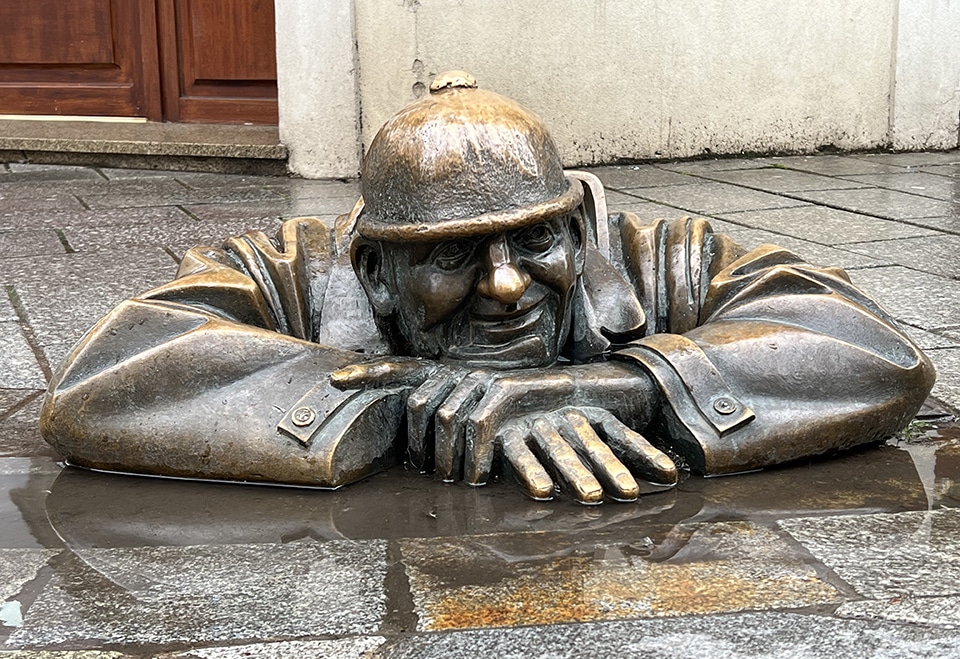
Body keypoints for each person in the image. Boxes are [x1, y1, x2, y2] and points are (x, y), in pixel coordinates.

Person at [39, 72, 936, 504]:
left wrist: (611, 385)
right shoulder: (290, 269)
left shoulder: (654, 255)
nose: (508, 284)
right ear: (376, 272)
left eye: (537, 239)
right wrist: (413, 397)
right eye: (454, 255)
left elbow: (872, 350)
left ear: (575, 224)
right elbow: (103, 380)